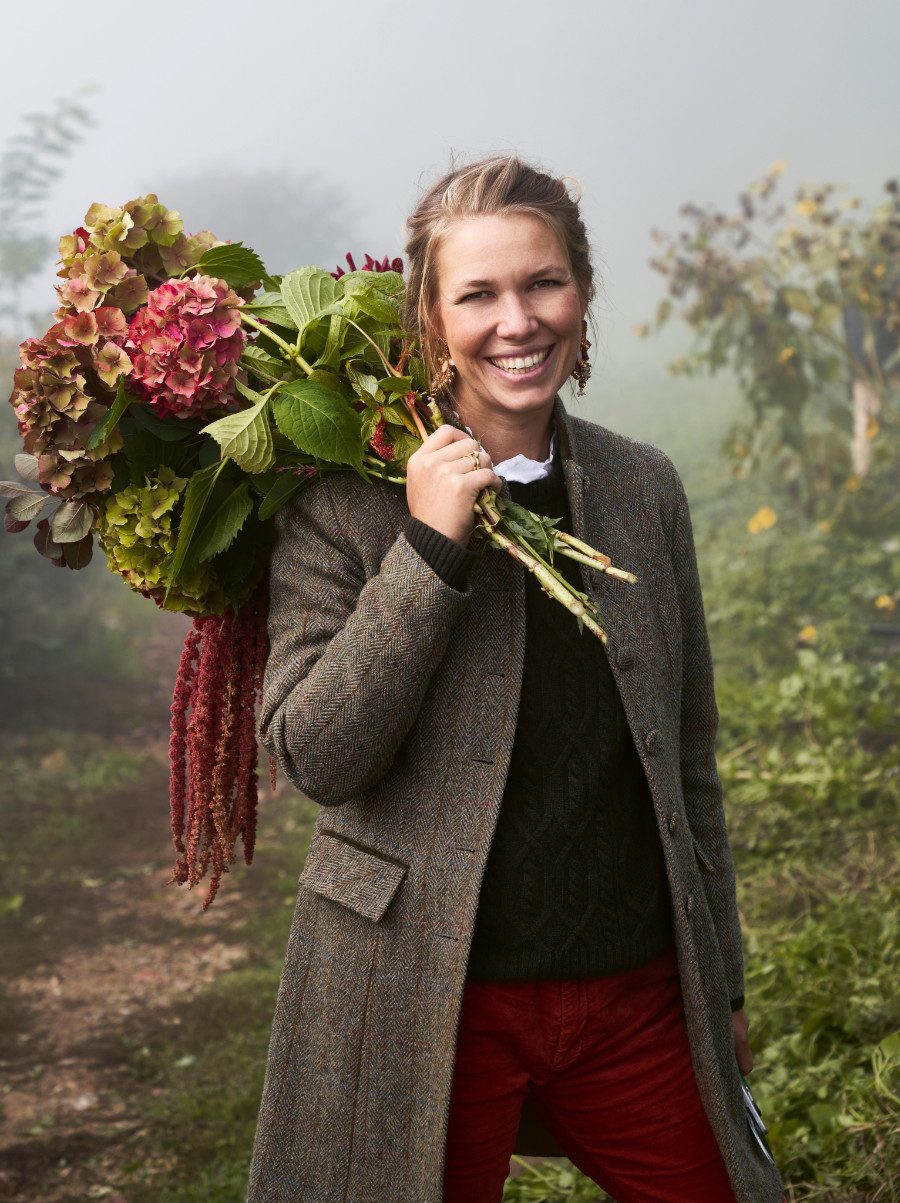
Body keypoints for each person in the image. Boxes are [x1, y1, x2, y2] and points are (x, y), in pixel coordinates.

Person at [245, 155, 786, 1203]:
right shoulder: (342, 508)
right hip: (425, 997)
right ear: (427, 319)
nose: (517, 321)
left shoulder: (641, 488)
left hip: (632, 993)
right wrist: (430, 548)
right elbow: (315, 753)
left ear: (581, 295)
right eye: (478, 294)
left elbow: (690, 759)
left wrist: (718, 978)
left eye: (543, 283)